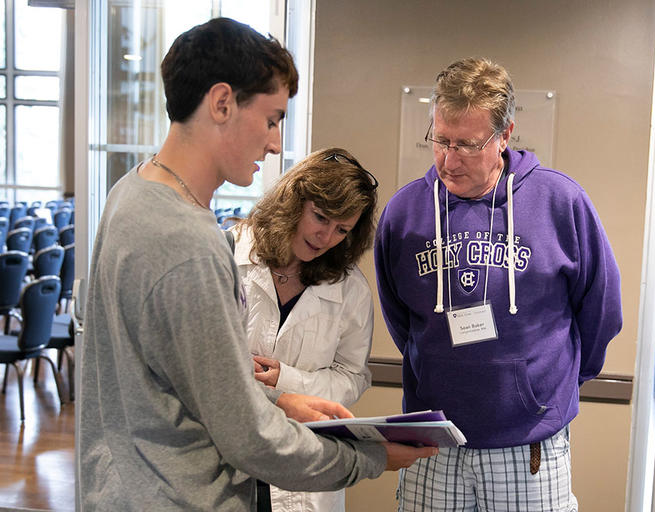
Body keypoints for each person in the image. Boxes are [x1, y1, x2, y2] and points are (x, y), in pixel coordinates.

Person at [78, 17, 436, 511]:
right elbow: (251, 440)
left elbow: (187, 385)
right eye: (271, 119)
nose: (273, 144)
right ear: (222, 103)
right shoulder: (190, 242)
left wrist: (282, 399)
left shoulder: (131, 192)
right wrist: (371, 458)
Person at [374, 57, 623, 511]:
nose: (449, 160)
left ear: (505, 134)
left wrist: (547, 388)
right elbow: (400, 318)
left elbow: (601, 311)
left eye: (467, 145)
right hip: (435, 443)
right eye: (440, 140)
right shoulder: (403, 213)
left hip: (527, 446)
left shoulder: (560, 201)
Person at [231, 147, 378, 512]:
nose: (326, 237)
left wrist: (287, 380)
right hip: (230, 453)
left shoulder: (350, 289)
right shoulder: (230, 254)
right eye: (321, 217)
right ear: (295, 200)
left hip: (306, 462)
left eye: (342, 229)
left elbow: (352, 376)